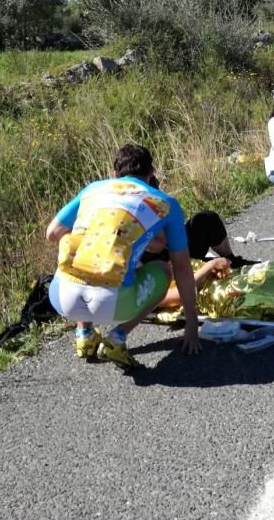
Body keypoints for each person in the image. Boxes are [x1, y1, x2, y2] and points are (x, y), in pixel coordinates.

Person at [45, 143, 201, 369]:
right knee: (164, 271)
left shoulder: (93, 189)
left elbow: (52, 234)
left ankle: (84, 335)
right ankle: (116, 339)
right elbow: (182, 267)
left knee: (83, 250)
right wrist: (192, 324)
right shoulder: (165, 204)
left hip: (62, 299)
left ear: (115, 174)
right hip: (113, 306)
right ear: (151, 174)